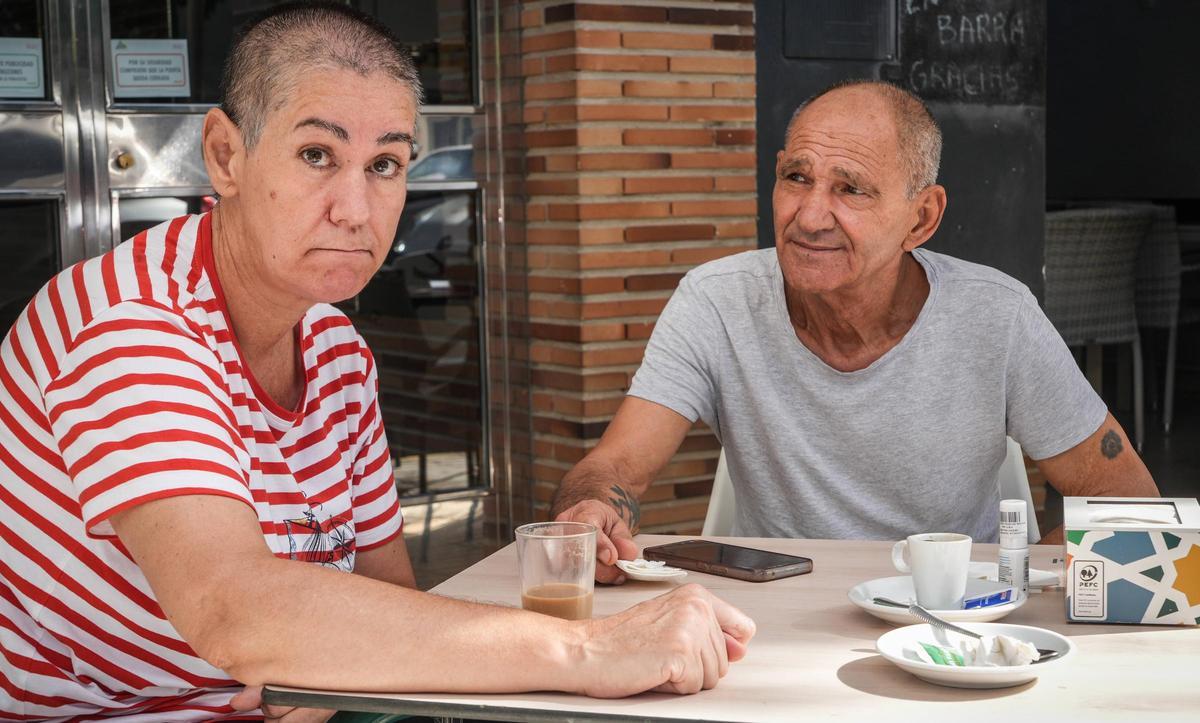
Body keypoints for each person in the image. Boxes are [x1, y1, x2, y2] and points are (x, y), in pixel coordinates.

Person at [0, 4, 754, 721]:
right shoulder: (131, 323)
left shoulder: (334, 351)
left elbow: (385, 591)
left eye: (386, 163)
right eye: (316, 155)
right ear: (225, 155)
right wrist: (588, 647)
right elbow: (236, 611)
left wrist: (329, 659)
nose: (356, 209)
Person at [552, 80, 1160, 585]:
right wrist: (593, 512)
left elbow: (1127, 499)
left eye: (850, 189)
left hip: (950, 624)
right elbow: (617, 465)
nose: (810, 216)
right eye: (797, 178)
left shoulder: (997, 317)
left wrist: (1006, 583)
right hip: (772, 619)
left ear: (921, 218)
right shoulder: (716, 301)